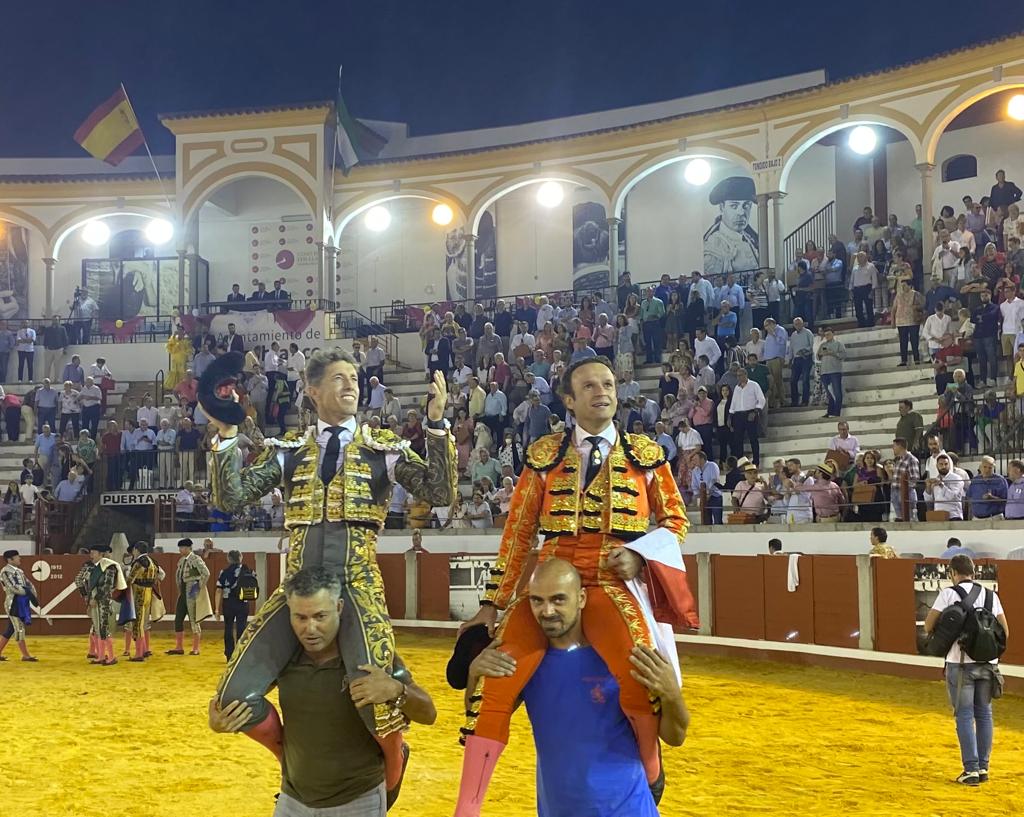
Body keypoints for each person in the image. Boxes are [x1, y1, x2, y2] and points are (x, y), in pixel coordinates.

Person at [205, 351, 455, 805]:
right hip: (298, 589)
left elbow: (439, 491)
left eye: (355, 378)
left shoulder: (384, 450)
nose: (351, 385)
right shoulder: (288, 453)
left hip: (357, 588)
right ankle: (290, 760)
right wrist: (226, 434)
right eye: (339, 379)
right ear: (312, 390)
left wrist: (436, 425)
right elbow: (231, 497)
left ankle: (394, 766)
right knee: (232, 698)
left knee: (375, 695)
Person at [454, 356, 697, 815]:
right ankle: (466, 810)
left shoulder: (647, 455)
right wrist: (492, 604)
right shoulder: (544, 455)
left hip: (612, 579)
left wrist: (641, 554)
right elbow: (519, 533)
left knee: (641, 677)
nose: (601, 391)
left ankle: (650, 772)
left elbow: (676, 520)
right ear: (569, 399)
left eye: (607, 383)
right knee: (491, 683)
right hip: (552, 580)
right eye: (588, 386)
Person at [464, 559, 689, 817]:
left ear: (581, 598)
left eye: (558, 600)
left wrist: (672, 694)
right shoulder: (525, 663)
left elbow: (675, 736)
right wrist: (474, 675)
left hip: (627, 809)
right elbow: (480, 716)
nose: (547, 611)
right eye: (537, 601)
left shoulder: (621, 659)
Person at [210, 566, 436, 816]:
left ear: (339, 608)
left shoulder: (370, 657)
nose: (310, 629)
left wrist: (396, 689)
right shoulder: (284, 657)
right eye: (301, 617)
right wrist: (221, 722)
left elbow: (429, 714)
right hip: (292, 798)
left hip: (358, 801)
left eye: (320, 616)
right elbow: (243, 695)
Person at [924, 554, 1009, 786]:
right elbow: (1005, 631)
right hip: (988, 664)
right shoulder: (991, 595)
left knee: (964, 715)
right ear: (974, 572)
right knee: (984, 714)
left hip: (959, 662)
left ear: (952, 573)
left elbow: (929, 625)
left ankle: (970, 769)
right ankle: (983, 767)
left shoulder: (949, 593)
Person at [166, 537, 212, 656]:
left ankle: (195, 648)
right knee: (178, 619)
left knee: (194, 619)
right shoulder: (181, 561)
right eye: (180, 548)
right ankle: (179, 647)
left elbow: (206, 573)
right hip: (183, 592)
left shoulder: (196, 559)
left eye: (182, 548)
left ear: (188, 548)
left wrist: (198, 587)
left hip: (192, 592)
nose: (180, 550)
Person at [216, 550, 258, 661]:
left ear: (228, 559)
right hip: (243, 602)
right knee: (242, 627)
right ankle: (240, 653)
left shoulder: (224, 572)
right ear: (241, 558)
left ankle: (229, 654)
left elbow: (219, 591)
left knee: (228, 627)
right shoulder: (249, 571)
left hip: (228, 602)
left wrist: (216, 609)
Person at [0, 550, 39, 661]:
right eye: (17, 557)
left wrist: (32, 594)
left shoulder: (20, 571)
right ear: (10, 560)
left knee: (11, 629)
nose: (19, 559)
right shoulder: (5, 572)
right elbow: (12, 587)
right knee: (19, 628)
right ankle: (25, 655)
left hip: (21, 603)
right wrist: (28, 593)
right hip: (13, 603)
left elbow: (28, 583)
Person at [126, 541, 160, 661]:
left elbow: (130, 579)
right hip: (148, 593)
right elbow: (159, 577)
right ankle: (144, 650)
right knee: (144, 623)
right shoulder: (152, 562)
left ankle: (139, 654)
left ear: (136, 550)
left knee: (138, 624)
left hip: (139, 594)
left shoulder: (139, 562)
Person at [924, 453, 966, 520]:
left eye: (946, 464)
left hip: (953, 516)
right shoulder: (935, 479)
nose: (943, 467)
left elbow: (952, 496)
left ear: (949, 465)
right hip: (938, 516)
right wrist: (928, 487)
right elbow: (928, 500)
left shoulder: (956, 478)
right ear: (937, 466)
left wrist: (941, 485)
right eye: (941, 464)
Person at [817, 327, 846, 419]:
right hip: (824, 371)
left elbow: (843, 355)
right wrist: (822, 354)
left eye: (829, 334)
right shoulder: (822, 345)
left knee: (837, 392)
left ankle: (837, 412)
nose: (827, 336)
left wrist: (833, 353)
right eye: (825, 335)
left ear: (833, 334)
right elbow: (818, 357)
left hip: (835, 371)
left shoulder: (838, 344)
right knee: (829, 394)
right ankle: (830, 411)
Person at [787, 317, 814, 407]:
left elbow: (812, 345)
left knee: (805, 379)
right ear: (794, 325)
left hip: (806, 358)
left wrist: (804, 350)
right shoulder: (793, 335)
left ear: (803, 324)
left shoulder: (808, 333)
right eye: (796, 324)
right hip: (797, 359)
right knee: (793, 381)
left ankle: (805, 401)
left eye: (799, 323)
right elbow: (791, 348)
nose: (798, 325)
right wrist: (790, 360)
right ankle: (795, 401)